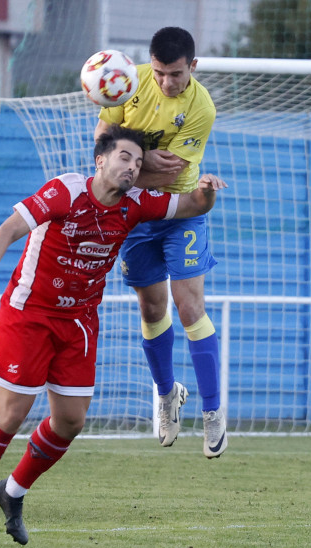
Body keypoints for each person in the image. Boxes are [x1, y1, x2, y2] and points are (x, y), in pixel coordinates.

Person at [0, 125, 227, 548]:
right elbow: (7, 230)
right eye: (124, 158)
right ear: (100, 160)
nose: (131, 168)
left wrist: (207, 189)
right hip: (30, 315)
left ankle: (14, 492)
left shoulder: (136, 205)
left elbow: (190, 204)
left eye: (138, 163)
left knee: (71, 421)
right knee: (11, 414)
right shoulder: (66, 191)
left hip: (78, 322)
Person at [93, 26, 226, 459]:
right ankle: (167, 395)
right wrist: (139, 158)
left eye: (176, 74)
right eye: (160, 72)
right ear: (149, 64)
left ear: (193, 67)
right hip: (135, 212)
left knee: (189, 307)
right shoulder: (125, 86)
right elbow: (99, 150)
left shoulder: (202, 108)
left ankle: (213, 410)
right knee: (151, 309)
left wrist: (131, 158)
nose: (167, 82)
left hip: (180, 209)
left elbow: (161, 173)